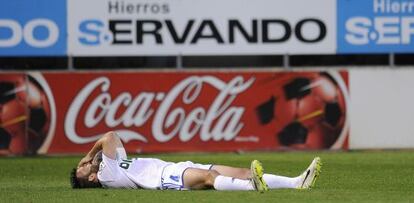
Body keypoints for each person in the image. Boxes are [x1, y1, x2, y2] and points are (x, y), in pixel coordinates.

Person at [70, 131, 322, 192]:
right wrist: (89, 155)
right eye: (82, 169)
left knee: (243, 170)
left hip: (173, 168)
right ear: (92, 178)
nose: (84, 164)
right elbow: (109, 136)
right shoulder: (107, 175)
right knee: (210, 179)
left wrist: (93, 157)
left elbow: (112, 139)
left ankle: (297, 182)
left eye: (82, 163)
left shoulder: (115, 164)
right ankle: (252, 187)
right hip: (163, 179)